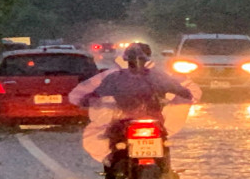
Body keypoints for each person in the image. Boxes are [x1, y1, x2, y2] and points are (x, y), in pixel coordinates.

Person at [69, 42, 201, 171]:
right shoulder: (156, 75)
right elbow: (180, 90)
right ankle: (118, 163)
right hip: (147, 121)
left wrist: (87, 100)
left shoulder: (116, 77)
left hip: (133, 121)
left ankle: (117, 163)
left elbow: (97, 93)